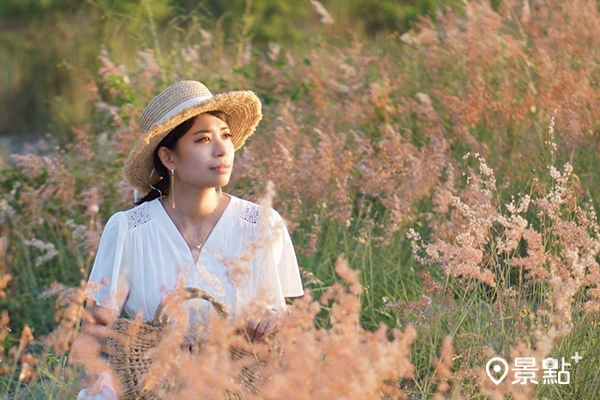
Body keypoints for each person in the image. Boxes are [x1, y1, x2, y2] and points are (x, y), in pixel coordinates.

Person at [76, 80, 304, 399]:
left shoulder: (260, 225)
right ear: (169, 158)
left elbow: (279, 315)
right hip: (151, 382)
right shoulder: (130, 230)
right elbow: (96, 329)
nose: (222, 148)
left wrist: (271, 321)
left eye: (225, 136)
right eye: (203, 139)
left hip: (236, 381)